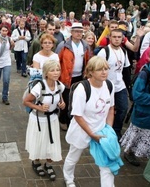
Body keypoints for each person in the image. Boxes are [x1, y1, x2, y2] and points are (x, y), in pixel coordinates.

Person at [63, 56, 116, 187]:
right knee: (73, 157)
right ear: (90, 72)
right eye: (99, 69)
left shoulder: (109, 85)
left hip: (101, 129)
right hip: (82, 129)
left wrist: (108, 129)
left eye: (106, 69)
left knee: (106, 162)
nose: (104, 72)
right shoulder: (82, 89)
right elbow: (77, 115)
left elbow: (110, 108)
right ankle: (68, 179)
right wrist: (91, 134)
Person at [23, 60, 65, 181]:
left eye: (58, 70)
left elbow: (60, 100)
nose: (56, 73)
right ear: (46, 73)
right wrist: (39, 107)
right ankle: (36, 163)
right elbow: (26, 101)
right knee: (39, 142)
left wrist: (62, 105)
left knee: (51, 143)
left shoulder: (59, 85)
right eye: (52, 70)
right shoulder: (40, 86)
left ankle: (48, 164)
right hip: (38, 120)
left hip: (52, 120)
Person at [56, 23, 91, 131]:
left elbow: (88, 60)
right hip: (66, 77)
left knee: (76, 100)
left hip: (80, 77)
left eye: (80, 32)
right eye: (76, 31)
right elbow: (57, 61)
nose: (78, 34)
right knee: (66, 100)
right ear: (71, 32)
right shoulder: (63, 45)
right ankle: (63, 119)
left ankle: (72, 121)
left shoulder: (85, 45)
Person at [97, 29, 131, 140]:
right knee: (105, 109)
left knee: (123, 108)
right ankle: (104, 129)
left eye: (119, 37)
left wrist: (128, 87)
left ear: (122, 39)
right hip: (106, 86)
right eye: (114, 37)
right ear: (110, 38)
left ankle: (116, 130)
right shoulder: (104, 52)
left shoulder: (124, 51)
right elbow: (97, 69)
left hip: (119, 85)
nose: (116, 39)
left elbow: (126, 70)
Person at [0, 26, 14, 105]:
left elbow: (10, 49)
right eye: (3, 30)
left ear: (8, 31)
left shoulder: (9, 39)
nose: (4, 32)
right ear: (0, 31)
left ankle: (5, 97)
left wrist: (13, 44)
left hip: (7, 62)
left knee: (6, 80)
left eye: (6, 30)